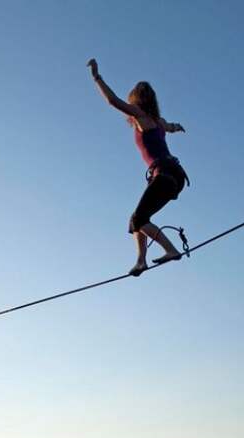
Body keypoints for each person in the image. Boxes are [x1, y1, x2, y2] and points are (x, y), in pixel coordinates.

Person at [87, 58, 189, 276]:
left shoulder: (141, 117)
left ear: (137, 101)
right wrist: (177, 127)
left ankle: (170, 250)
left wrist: (97, 77)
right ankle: (141, 261)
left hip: (164, 175)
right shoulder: (159, 122)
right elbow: (170, 127)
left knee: (138, 219)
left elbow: (113, 101)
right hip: (174, 177)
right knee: (137, 220)